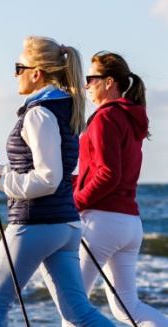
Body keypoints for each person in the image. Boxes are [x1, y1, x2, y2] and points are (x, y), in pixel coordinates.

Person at [0, 36, 114, 326]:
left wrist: (0, 182)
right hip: (64, 225)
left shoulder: (39, 113)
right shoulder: (64, 108)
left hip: (35, 223)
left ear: (36, 73)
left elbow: (48, 178)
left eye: (19, 67)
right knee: (78, 313)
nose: (15, 74)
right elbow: (47, 168)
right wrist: (0, 171)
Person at [67, 51, 168, 326]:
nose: (87, 85)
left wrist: (74, 203)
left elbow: (108, 175)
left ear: (109, 81)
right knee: (127, 308)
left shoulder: (105, 118)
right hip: (129, 224)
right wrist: (68, 182)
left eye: (91, 78)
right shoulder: (129, 118)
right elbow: (105, 172)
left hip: (102, 223)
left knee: (72, 307)